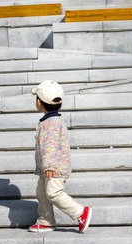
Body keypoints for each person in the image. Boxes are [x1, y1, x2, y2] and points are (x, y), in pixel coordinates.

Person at [28, 80, 92, 234]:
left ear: (39, 102)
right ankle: (46, 220)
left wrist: (49, 166)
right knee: (42, 193)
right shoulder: (50, 121)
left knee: (53, 193)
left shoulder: (50, 123)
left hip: (54, 168)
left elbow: (50, 146)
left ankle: (80, 212)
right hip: (48, 167)